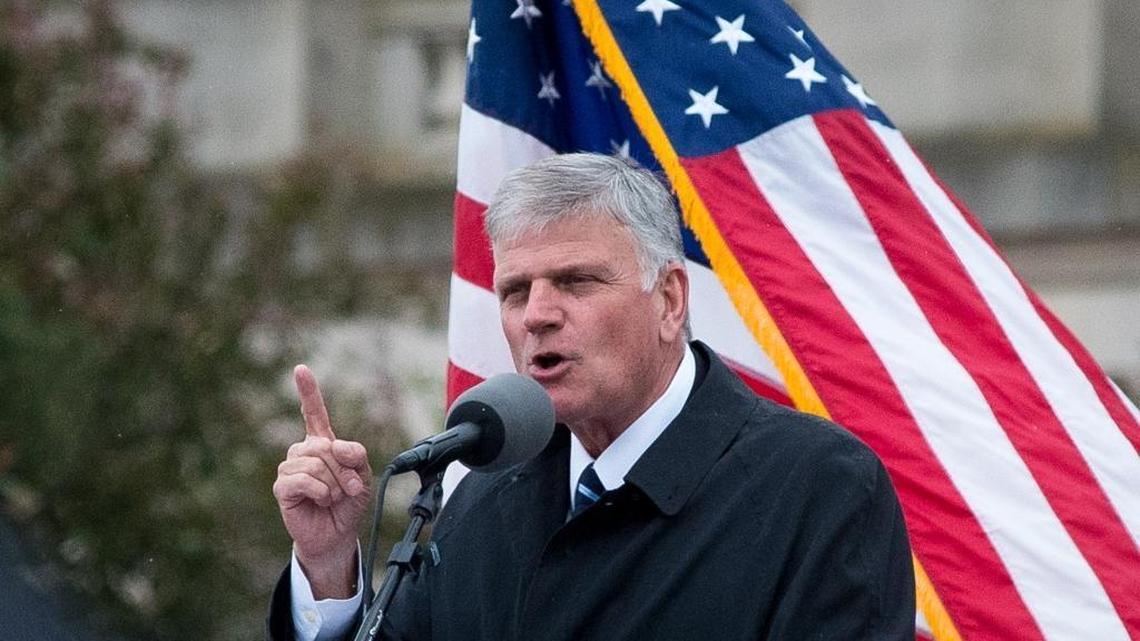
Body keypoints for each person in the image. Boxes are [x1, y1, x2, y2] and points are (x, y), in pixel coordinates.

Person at [267, 153, 915, 640]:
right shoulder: (485, 497)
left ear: (669, 301)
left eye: (576, 281)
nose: (537, 315)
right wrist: (328, 569)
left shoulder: (818, 486)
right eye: (516, 291)